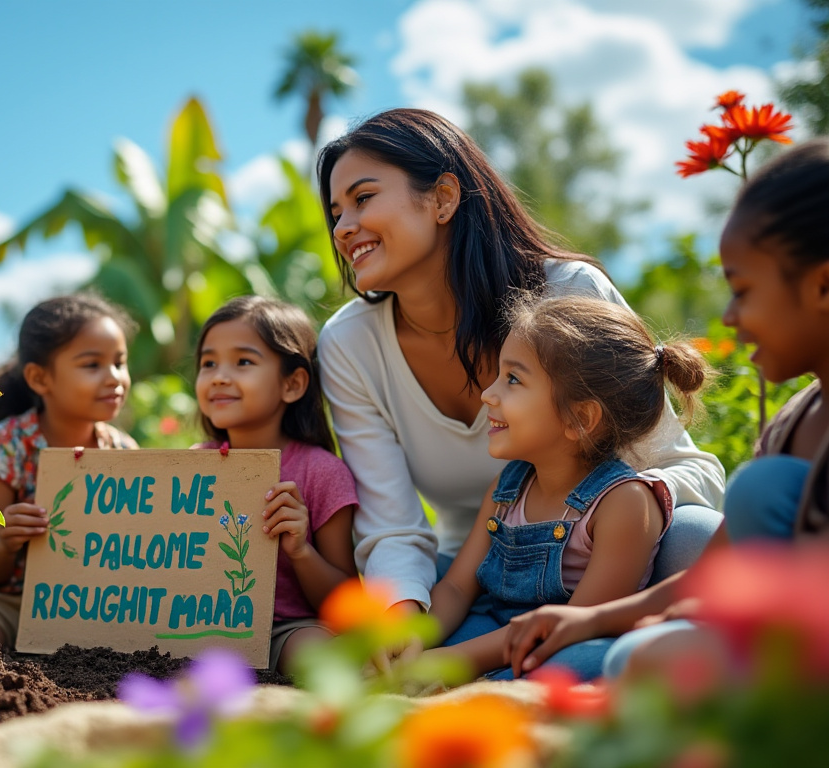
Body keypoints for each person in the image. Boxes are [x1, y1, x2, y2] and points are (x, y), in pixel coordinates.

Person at [314, 108, 726, 619]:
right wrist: (404, 621)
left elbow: (685, 466)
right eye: (336, 212)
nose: (343, 228)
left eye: (363, 198)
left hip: (608, 564)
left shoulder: (568, 293)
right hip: (470, 577)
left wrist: (611, 520)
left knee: (697, 538)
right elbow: (391, 526)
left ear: (443, 197)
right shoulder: (348, 343)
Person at [504, 138, 829, 679]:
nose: (727, 317)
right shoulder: (796, 423)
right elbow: (718, 571)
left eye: (743, 291)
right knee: (636, 656)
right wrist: (591, 619)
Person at [418, 295, 708, 680]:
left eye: (513, 379)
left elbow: (574, 625)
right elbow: (457, 587)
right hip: (492, 627)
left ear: (581, 418)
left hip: (557, 643)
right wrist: (416, 641)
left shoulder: (623, 504)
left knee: (583, 663)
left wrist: (446, 663)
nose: (488, 393)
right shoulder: (508, 487)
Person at [0, 294, 139, 648]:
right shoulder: (6, 444)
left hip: (94, 606)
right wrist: (9, 542)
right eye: (92, 365)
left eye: (120, 362)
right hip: (7, 601)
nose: (114, 378)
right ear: (39, 378)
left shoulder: (124, 452)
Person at [192, 296, 359, 674]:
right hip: (198, 629)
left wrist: (300, 551)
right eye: (208, 363)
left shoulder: (322, 472)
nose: (219, 375)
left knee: (319, 652)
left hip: (286, 630)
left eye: (243, 362)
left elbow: (344, 600)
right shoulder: (194, 463)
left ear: (293, 383)